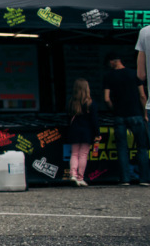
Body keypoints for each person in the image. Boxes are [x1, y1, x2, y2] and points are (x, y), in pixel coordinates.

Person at [102, 52, 150, 186]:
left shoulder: (108, 76)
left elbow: (106, 98)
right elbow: (142, 96)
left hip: (119, 115)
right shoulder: (134, 74)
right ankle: (144, 179)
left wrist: (114, 109)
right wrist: (145, 113)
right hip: (136, 114)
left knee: (122, 148)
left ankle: (125, 179)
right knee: (142, 147)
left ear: (112, 61)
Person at [64, 78, 100, 186]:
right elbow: (94, 120)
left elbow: (67, 118)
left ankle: (72, 175)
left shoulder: (71, 102)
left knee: (74, 154)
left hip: (74, 131)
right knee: (83, 155)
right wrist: (97, 134)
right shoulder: (91, 103)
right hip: (87, 132)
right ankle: (80, 178)